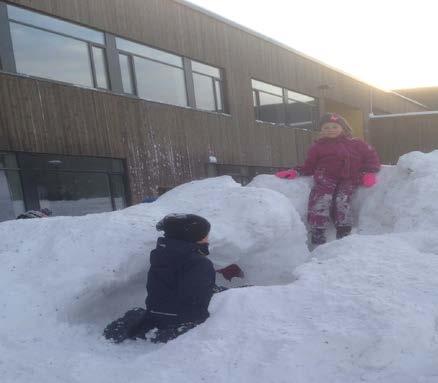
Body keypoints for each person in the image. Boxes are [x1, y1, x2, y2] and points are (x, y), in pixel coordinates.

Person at [104, 213, 221, 343]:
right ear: (193, 237)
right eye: (205, 236)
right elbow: (198, 297)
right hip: (183, 319)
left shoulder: (161, 255)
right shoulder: (199, 262)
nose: (207, 240)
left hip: (156, 315)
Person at [275, 113, 380, 245]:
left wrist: (369, 172)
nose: (330, 129)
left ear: (343, 128)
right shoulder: (318, 147)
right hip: (325, 177)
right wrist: (296, 171)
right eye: (326, 127)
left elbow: (371, 157)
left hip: (349, 178)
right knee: (321, 199)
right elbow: (310, 165)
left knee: (342, 200)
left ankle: (344, 230)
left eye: (335, 126)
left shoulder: (357, 144)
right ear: (321, 130)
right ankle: (317, 230)